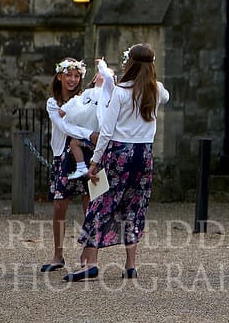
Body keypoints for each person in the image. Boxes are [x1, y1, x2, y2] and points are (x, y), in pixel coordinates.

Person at [65, 43, 170, 282]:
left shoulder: (120, 92)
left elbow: (106, 132)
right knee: (135, 205)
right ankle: (130, 265)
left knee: (101, 202)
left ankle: (90, 262)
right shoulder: (156, 90)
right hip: (145, 154)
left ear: (130, 64)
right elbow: (166, 96)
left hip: (120, 153)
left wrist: (94, 161)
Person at [41, 58, 98, 272]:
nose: (73, 80)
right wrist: (90, 134)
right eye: (69, 75)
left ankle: (89, 254)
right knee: (59, 204)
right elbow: (65, 127)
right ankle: (58, 254)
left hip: (85, 152)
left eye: (77, 76)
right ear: (59, 76)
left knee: (89, 203)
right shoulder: (52, 103)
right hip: (62, 155)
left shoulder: (86, 98)